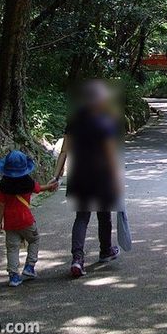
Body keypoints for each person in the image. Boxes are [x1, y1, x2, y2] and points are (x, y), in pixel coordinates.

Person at [52, 80, 123, 277]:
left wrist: (56, 176)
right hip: (101, 175)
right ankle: (105, 250)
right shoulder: (105, 121)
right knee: (104, 214)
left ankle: (77, 259)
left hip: (79, 174)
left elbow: (64, 151)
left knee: (81, 217)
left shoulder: (74, 121)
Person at [0, 151, 58, 287]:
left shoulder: (4, 185)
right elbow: (39, 188)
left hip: (10, 223)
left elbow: (1, 205)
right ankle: (29, 266)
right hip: (26, 220)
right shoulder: (27, 181)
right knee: (34, 239)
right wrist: (50, 186)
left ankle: (13, 276)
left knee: (12, 248)